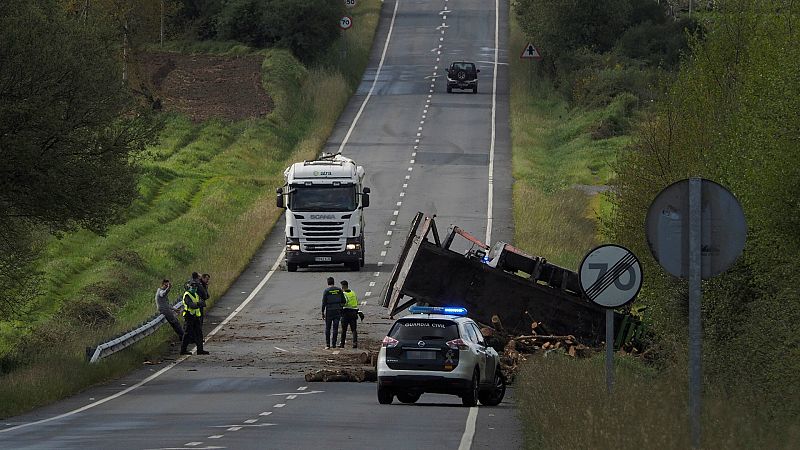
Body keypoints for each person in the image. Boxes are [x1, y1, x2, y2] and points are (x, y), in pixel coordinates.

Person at [180, 282, 209, 355]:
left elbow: (203, 303)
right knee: (187, 333)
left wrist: (198, 304)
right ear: (189, 287)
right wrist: (199, 304)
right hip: (189, 316)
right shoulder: (187, 295)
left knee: (199, 333)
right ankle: (183, 350)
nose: (194, 289)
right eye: (192, 288)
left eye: (195, 288)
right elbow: (191, 305)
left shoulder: (196, 294)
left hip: (196, 316)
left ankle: (200, 350)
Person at [321, 277, 344, 350]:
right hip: (337, 311)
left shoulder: (326, 291)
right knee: (335, 328)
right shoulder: (339, 290)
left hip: (329, 311)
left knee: (328, 327)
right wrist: (340, 306)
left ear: (328, 283)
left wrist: (322, 312)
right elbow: (344, 300)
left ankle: (328, 344)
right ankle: (334, 344)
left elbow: (324, 302)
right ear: (333, 282)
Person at [339, 280, 359, 349]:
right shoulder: (353, 293)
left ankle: (342, 344)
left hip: (346, 313)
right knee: (354, 329)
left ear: (343, 286)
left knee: (344, 330)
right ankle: (355, 343)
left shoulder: (343, 294)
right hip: (353, 313)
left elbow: (343, 303)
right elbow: (356, 301)